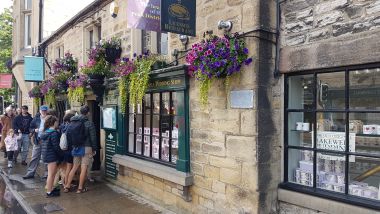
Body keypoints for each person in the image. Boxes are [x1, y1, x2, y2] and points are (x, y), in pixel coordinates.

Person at [64, 105, 97, 193]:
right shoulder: (89, 123)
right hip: (87, 147)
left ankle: (67, 186)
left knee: (74, 167)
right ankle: (80, 188)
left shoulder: (73, 122)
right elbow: (93, 138)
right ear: (88, 113)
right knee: (84, 168)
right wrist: (94, 148)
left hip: (76, 147)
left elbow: (68, 135)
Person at [23, 105, 49, 179]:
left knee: (46, 158)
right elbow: (30, 128)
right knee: (34, 157)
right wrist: (34, 130)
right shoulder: (36, 119)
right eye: (42, 110)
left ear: (47, 111)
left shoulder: (50, 119)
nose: (43, 112)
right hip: (38, 140)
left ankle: (47, 174)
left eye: (45, 110)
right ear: (40, 111)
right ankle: (30, 173)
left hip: (47, 141)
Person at [40, 115, 62, 197]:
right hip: (51, 156)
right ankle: (49, 192)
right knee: (51, 174)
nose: (58, 123)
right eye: (57, 122)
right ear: (54, 122)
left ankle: (51, 189)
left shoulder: (45, 132)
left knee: (51, 174)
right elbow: (56, 146)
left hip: (46, 155)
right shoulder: (54, 133)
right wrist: (61, 155)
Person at [58, 111, 75, 188]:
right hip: (69, 149)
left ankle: (63, 182)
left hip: (63, 149)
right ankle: (66, 183)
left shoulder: (63, 127)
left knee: (64, 168)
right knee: (68, 167)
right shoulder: (70, 127)